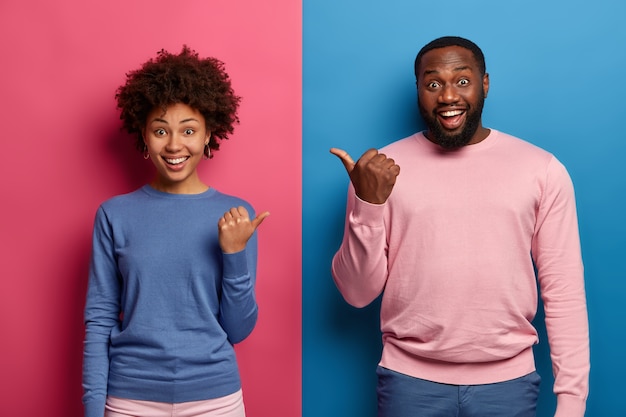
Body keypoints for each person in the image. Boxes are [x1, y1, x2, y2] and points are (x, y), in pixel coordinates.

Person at [330, 36, 589, 417]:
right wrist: (368, 205)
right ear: (418, 90)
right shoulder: (379, 172)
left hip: (509, 386)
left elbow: (564, 290)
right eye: (433, 84)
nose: (448, 95)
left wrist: (571, 401)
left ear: (485, 84)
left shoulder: (541, 169)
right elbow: (355, 293)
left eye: (462, 81)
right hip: (408, 384)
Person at [82, 46, 269, 417]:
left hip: (215, 400)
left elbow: (239, 330)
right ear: (144, 137)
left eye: (188, 130)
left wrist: (233, 255)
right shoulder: (113, 215)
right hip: (129, 399)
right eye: (160, 130)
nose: (174, 144)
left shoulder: (236, 215)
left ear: (208, 135)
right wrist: (92, 408)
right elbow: (100, 318)